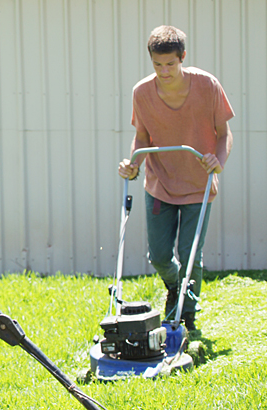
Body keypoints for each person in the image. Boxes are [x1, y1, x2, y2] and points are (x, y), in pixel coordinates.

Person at [118, 25, 234, 331]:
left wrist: (218, 162)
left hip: (199, 184)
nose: (164, 71)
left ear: (182, 57)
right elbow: (141, 137)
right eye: (158, 65)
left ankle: (188, 313)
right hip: (160, 183)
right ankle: (175, 287)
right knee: (158, 256)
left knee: (190, 254)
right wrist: (134, 163)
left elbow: (223, 134)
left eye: (170, 64)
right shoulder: (142, 92)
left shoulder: (207, 85)